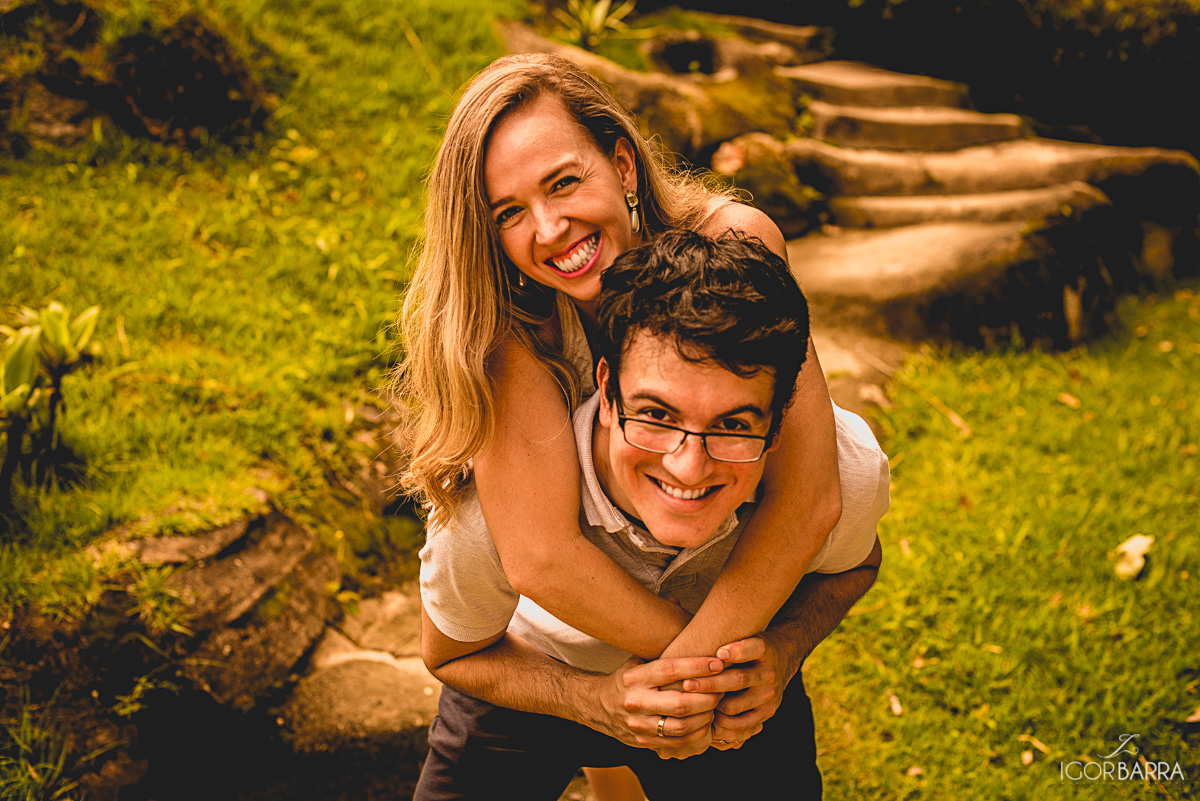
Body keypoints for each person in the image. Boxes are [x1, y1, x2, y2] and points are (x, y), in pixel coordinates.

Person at [396, 50, 843, 690]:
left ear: (623, 164)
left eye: (564, 183)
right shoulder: (510, 326)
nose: (550, 229)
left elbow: (807, 495)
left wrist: (721, 662)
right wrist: (705, 674)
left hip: (703, 590)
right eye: (510, 212)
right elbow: (543, 558)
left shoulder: (734, 246)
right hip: (560, 626)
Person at [413, 231, 890, 799]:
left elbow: (855, 566)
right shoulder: (492, 512)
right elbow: (451, 655)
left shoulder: (846, 471)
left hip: (728, 702)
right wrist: (595, 702)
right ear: (607, 390)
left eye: (734, 426)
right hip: (533, 675)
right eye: (657, 415)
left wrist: (784, 650)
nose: (688, 468)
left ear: (783, 420)